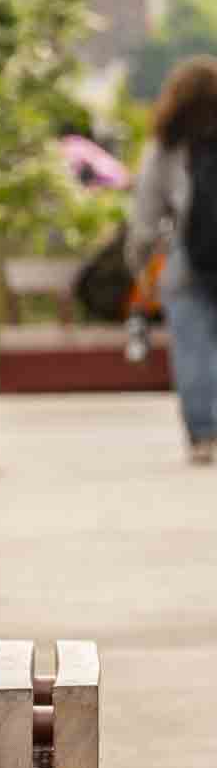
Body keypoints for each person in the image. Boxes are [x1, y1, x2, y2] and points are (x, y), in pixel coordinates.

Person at [127, 56, 217, 463]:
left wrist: (141, 265)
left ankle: (203, 435)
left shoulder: (166, 145)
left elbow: (146, 216)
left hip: (187, 256)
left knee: (192, 346)